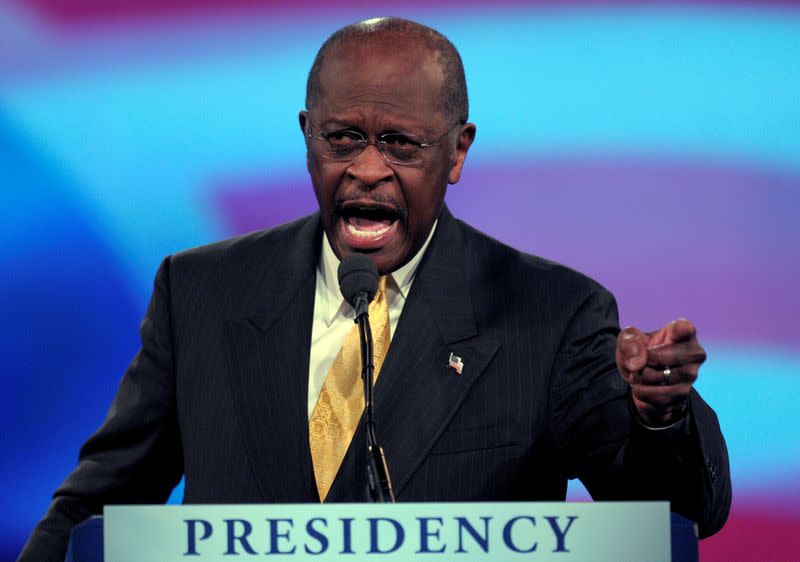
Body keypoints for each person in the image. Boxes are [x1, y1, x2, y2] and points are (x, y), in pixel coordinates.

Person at [19, 17, 731, 561]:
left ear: (457, 151)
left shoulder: (550, 313)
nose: (365, 170)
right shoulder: (201, 291)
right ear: (307, 137)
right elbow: (95, 513)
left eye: (400, 144)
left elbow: (674, 515)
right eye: (342, 138)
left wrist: (658, 416)